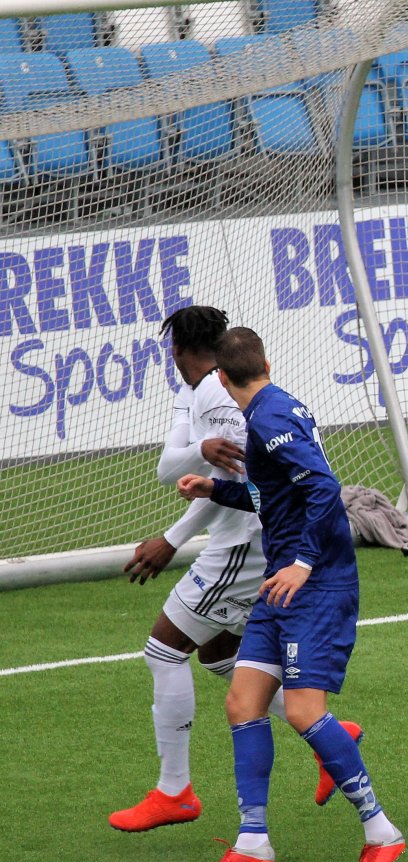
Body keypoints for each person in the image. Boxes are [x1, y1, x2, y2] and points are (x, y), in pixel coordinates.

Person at [177, 328, 404, 862]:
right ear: (266, 364)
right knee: (242, 702)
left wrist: (303, 561)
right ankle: (253, 840)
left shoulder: (271, 420)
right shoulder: (275, 409)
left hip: (315, 585)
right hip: (284, 586)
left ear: (223, 380)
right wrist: (215, 492)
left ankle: (382, 834)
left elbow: (324, 490)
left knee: (302, 711)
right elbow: (274, 494)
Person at [110, 306, 301, 832]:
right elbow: (169, 466)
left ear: (178, 352)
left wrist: (171, 540)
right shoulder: (201, 390)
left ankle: (175, 792)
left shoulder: (216, 395)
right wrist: (195, 446)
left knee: (164, 650)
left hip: (245, 540)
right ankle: (329, 731)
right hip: (246, 536)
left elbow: (232, 483)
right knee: (220, 654)